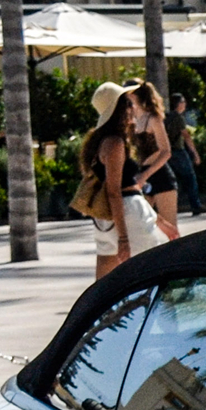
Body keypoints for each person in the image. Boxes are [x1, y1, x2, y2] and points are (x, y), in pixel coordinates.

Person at [78, 82, 154, 278]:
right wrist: (123, 238)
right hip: (126, 213)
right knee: (155, 271)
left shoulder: (98, 143)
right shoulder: (115, 143)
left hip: (104, 219)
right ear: (118, 109)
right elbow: (114, 191)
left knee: (104, 283)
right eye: (128, 103)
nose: (132, 107)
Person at [128, 81, 180, 240]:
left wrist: (146, 175)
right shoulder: (134, 118)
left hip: (160, 174)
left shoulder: (153, 118)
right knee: (140, 223)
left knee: (170, 228)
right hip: (142, 173)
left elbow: (166, 152)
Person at [168, 91, 203, 216]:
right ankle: (196, 206)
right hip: (178, 151)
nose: (185, 104)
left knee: (171, 180)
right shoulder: (178, 118)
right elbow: (186, 136)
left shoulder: (166, 116)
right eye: (183, 102)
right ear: (178, 104)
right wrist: (195, 154)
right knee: (190, 178)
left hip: (167, 153)